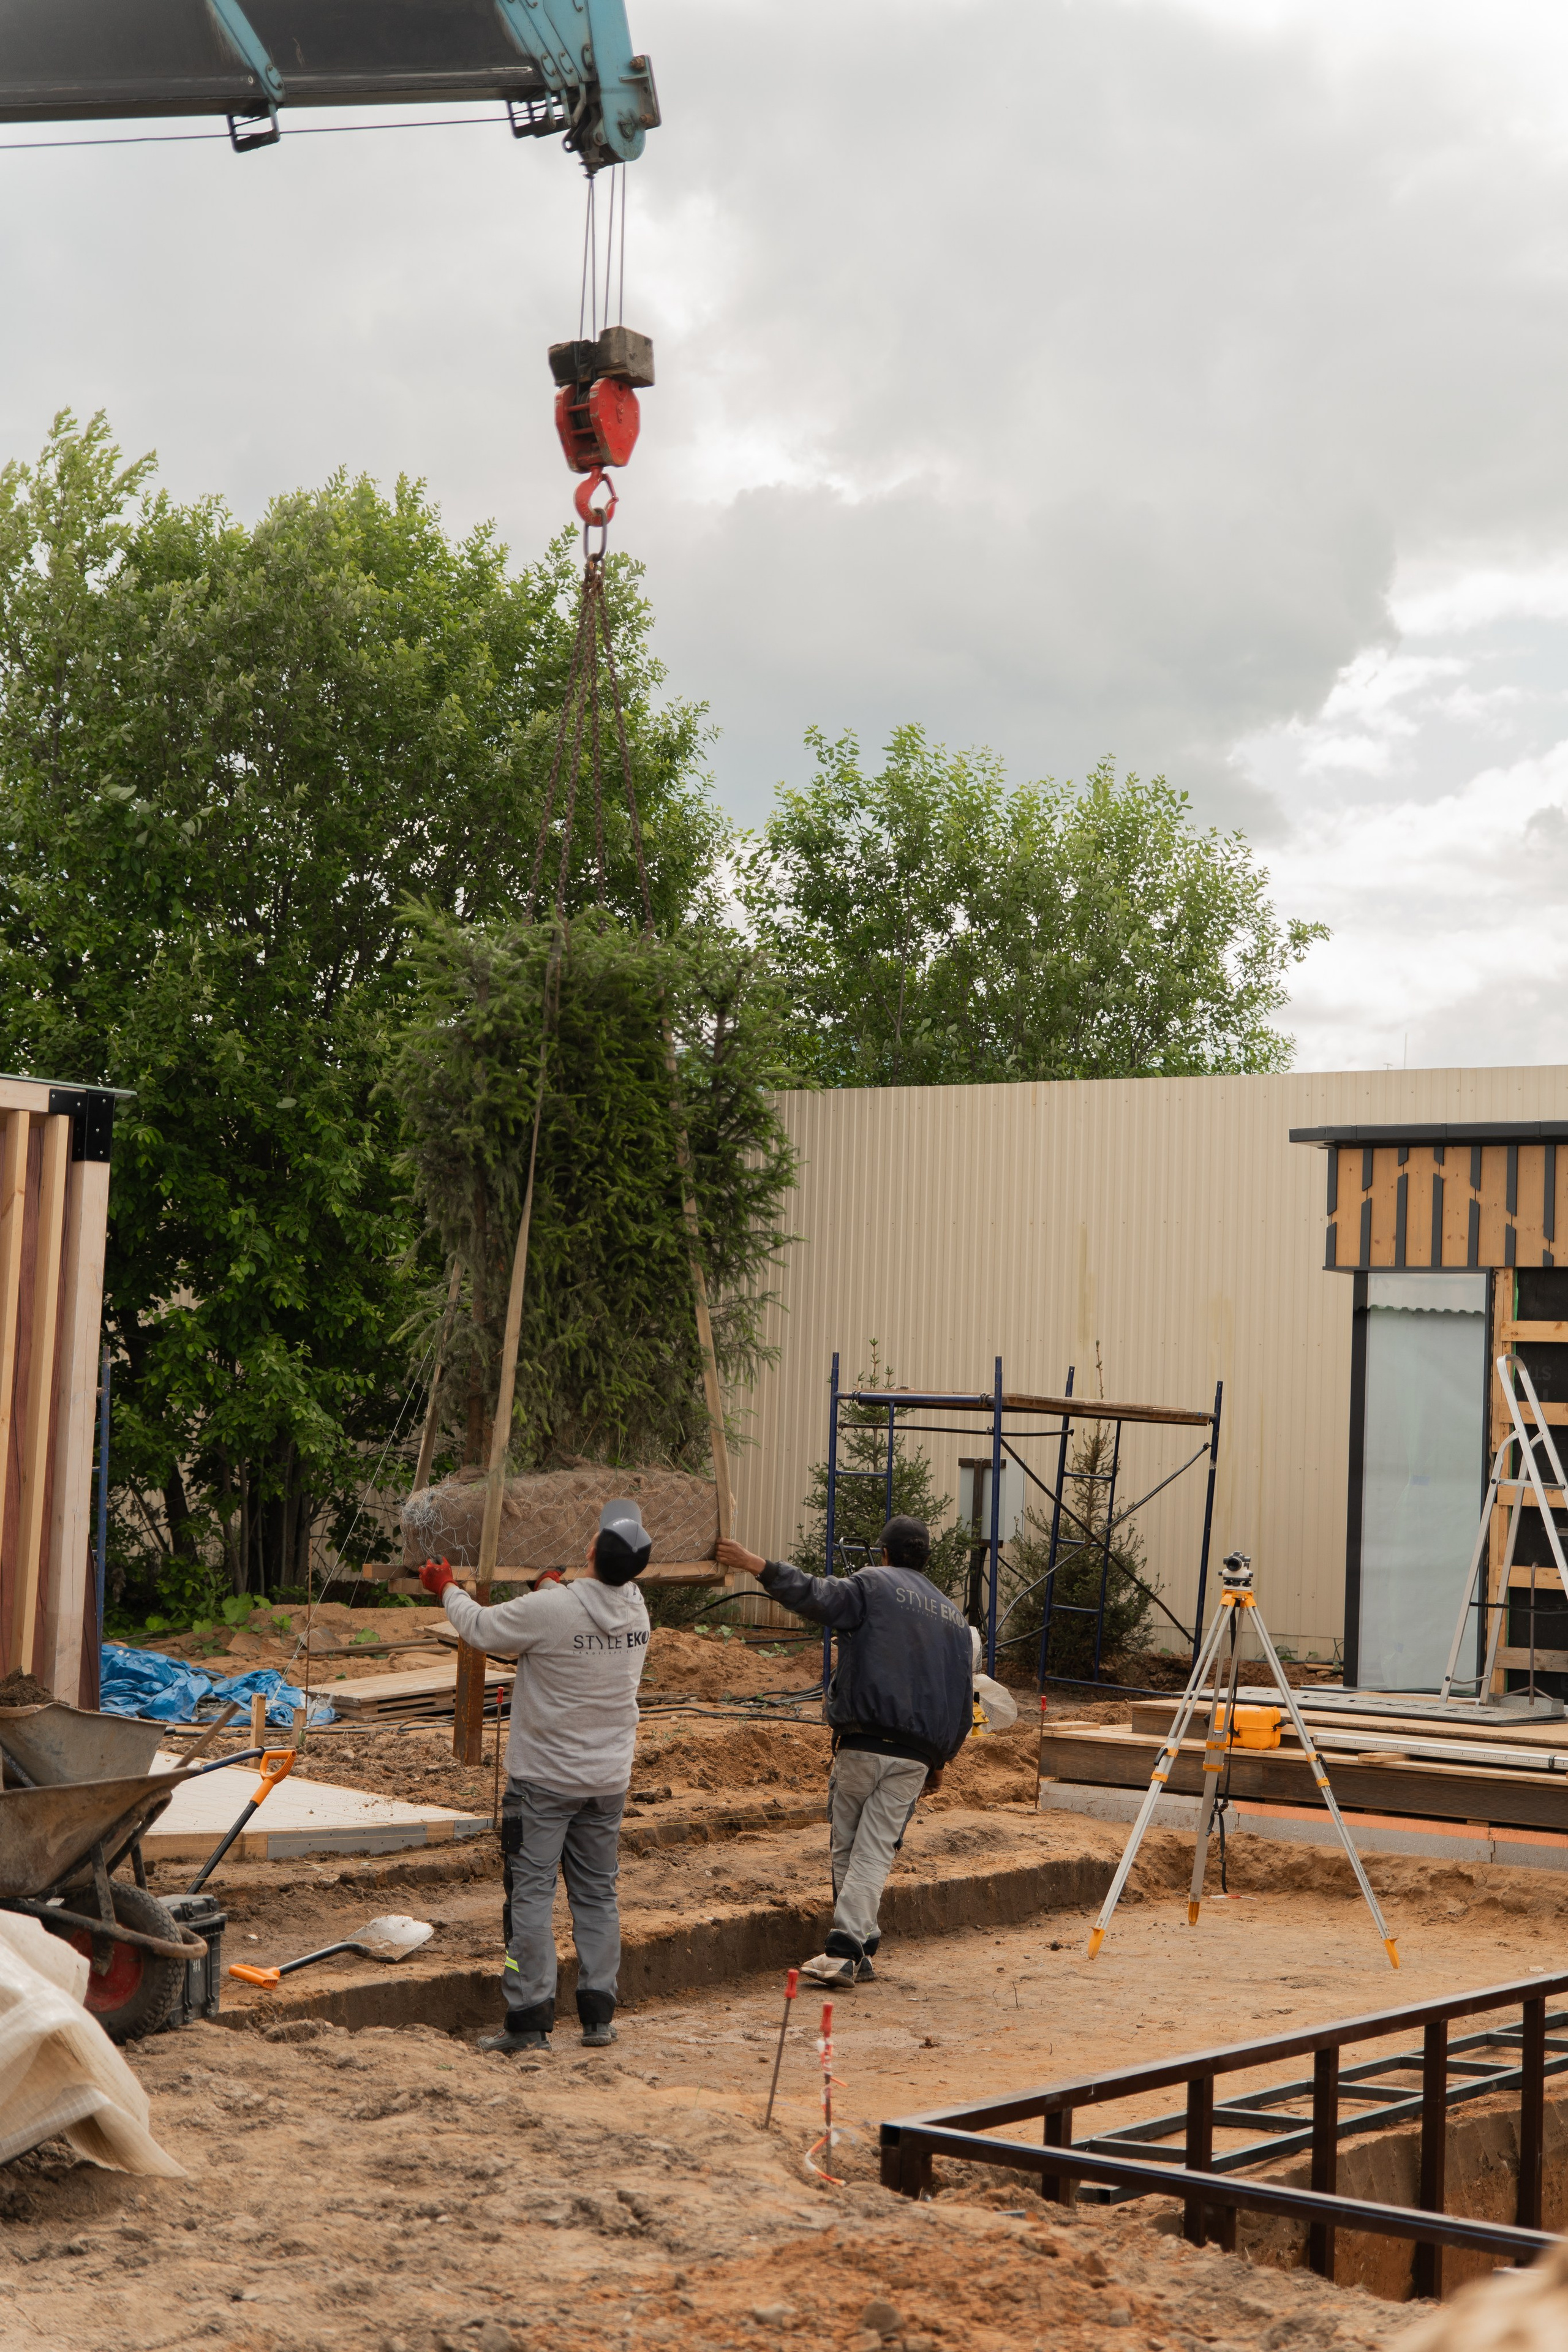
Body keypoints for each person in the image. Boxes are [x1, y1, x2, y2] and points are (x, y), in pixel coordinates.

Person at [421, 1497, 652, 2054]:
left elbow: (479, 1627)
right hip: (607, 1781)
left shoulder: (552, 1612)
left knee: (529, 1895)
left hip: (545, 1784)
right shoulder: (638, 1608)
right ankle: (598, 2017)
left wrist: (446, 1588)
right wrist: (552, 1590)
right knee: (597, 1895)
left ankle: (529, 2022)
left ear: (591, 1552)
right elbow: (576, 1609)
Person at [715, 1513, 973, 1989]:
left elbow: (815, 1595)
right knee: (868, 1849)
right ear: (925, 1560)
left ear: (886, 1555)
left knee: (854, 1848)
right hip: (915, 1755)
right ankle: (863, 1946)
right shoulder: (955, 1619)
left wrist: (757, 1564)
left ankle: (843, 1950)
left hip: (863, 1739)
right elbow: (962, 1698)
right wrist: (941, 1761)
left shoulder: (873, 1586)